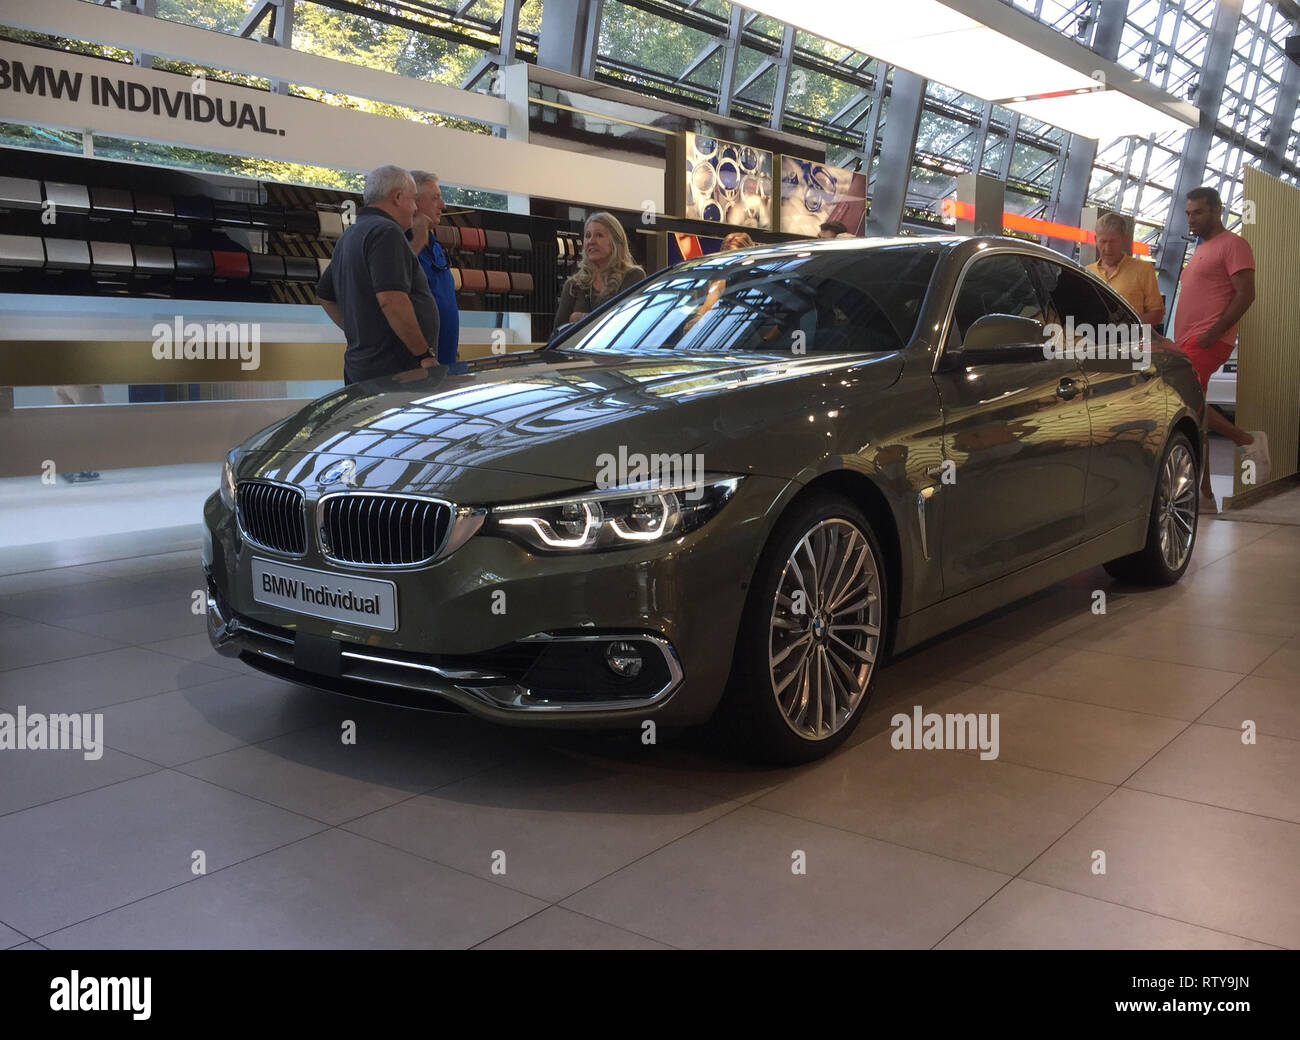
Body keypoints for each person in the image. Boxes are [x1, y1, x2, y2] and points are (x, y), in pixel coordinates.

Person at [1173, 186, 1269, 512]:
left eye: (1198, 212)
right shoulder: (1201, 249)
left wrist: (1211, 335)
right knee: (1195, 409)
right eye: (1188, 213)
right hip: (1188, 342)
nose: (1191, 219)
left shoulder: (1234, 245)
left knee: (1189, 403)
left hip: (1206, 342)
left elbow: (1246, 294)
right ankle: (1205, 493)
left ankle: (1245, 440)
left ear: (1217, 210)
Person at [316, 164, 440, 384]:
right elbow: (392, 301)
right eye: (413, 200)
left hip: (364, 367)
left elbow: (325, 295)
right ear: (398, 198)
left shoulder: (351, 234)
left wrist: (362, 334)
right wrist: (424, 355)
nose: (414, 209)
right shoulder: (386, 232)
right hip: (396, 373)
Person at [407, 170, 462, 371]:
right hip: (418, 364)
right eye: (435, 198)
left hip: (444, 358)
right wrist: (418, 241)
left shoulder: (434, 243)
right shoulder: (401, 243)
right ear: (415, 202)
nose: (443, 205)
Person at [554, 213, 646, 330]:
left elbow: (625, 322)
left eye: (599, 235)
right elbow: (557, 333)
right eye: (587, 236)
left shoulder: (633, 276)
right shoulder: (573, 285)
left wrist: (580, 318)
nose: (591, 241)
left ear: (615, 242)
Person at [1086, 212, 1164, 326]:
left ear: (1124, 240)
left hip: (1130, 342)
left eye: (1113, 242)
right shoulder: (1088, 272)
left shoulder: (1143, 269)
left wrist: (1127, 327)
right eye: (1103, 241)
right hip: (1092, 341)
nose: (1108, 248)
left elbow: (1157, 313)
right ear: (1095, 240)